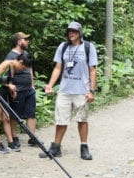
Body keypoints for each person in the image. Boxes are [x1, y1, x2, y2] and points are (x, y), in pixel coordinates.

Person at [39, 21, 97, 160]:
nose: (71, 33)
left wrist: (91, 91)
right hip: (65, 90)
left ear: (80, 33)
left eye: (74, 31)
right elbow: (58, 67)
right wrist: (50, 85)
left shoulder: (89, 47)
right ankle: (55, 148)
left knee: (82, 120)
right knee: (61, 120)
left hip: (82, 90)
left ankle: (84, 148)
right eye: (69, 31)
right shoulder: (63, 47)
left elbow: (92, 70)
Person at [0, 32, 39, 152]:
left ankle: (33, 138)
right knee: (14, 114)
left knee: (31, 113)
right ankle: (13, 138)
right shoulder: (11, 56)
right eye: (25, 39)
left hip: (29, 89)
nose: (28, 41)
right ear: (19, 41)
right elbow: (3, 75)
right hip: (17, 90)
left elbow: (30, 69)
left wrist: (32, 84)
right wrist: (9, 85)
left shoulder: (26, 54)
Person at [0, 53, 34, 153]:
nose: (23, 70)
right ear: (20, 62)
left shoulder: (14, 67)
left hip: (5, 93)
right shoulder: (6, 64)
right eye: (23, 67)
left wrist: (12, 90)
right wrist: (8, 86)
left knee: (7, 118)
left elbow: (9, 81)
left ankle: (10, 143)